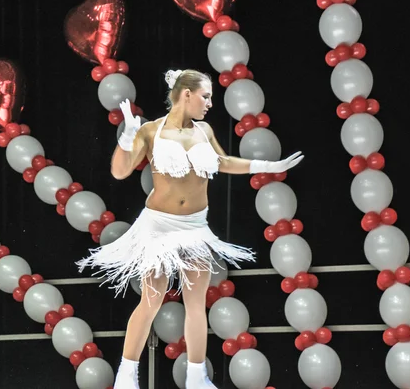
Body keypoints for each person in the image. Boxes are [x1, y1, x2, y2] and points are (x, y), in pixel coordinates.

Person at [76, 69, 303, 388]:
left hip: (194, 226)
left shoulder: (204, 130)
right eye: (206, 96)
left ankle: (197, 377)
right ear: (186, 94)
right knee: (151, 300)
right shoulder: (152, 131)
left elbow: (223, 163)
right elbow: (120, 171)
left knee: (196, 302)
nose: (210, 103)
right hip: (159, 227)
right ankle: (126, 376)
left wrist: (267, 167)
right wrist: (129, 136)